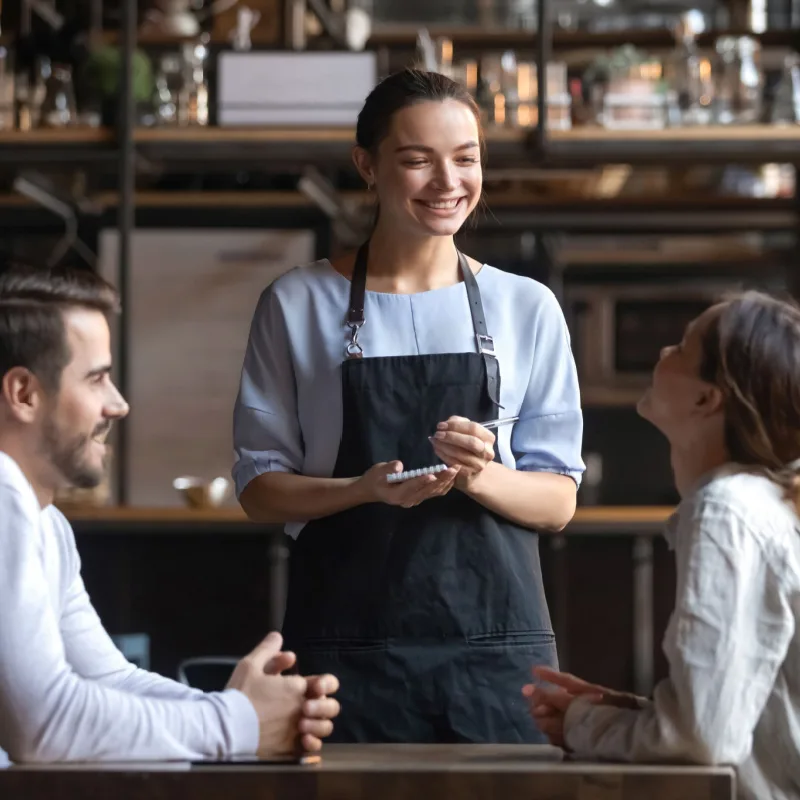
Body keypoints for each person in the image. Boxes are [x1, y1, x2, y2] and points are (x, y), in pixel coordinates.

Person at [233, 68, 585, 744]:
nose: (447, 182)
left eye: (466, 158)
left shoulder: (526, 307)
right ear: (367, 165)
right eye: (417, 160)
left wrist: (482, 476)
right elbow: (259, 488)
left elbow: (559, 499)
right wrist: (360, 490)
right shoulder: (298, 303)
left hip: (495, 652)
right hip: (345, 651)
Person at [0, 264, 340, 764]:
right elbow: (44, 722)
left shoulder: (46, 523)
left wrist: (245, 712)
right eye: (96, 379)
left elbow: (109, 679)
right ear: (24, 394)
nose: (118, 404)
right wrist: (238, 723)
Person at [524, 291, 800, 799]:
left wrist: (586, 724)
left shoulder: (726, 512)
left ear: (705, 398)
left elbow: (701, 739)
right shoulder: (760, 502)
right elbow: (741, 713)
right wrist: (638, 712)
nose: (662, 354)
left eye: (681, 348)